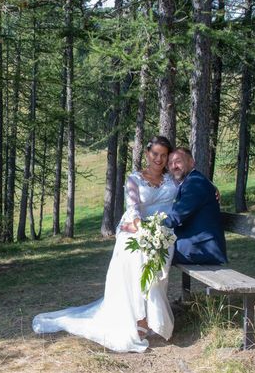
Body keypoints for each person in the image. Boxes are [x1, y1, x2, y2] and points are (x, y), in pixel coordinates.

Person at [32, 136, 178, 353]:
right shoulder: (134, 178)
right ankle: (140, 318)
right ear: (147, 154)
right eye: (155, 154)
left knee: (156, 252)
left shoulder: (173, 178)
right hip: (136, 227)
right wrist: (141, 227)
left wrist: (212, 189)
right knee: (136, 253)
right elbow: (134, 207)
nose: (159, 158)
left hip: (163, 230)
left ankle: (151, 315)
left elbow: (191, 184)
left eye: (163, 155)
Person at [163, 147, 227, 265]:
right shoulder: (192, 180)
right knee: (149, 250)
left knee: (149, 251)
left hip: (202, 249)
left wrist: (148, 227)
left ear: (191, 162)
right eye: (170, 163)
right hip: (195, 243)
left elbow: (176, 217)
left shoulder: (195, 184)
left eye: (178, 161)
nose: (173, 166)